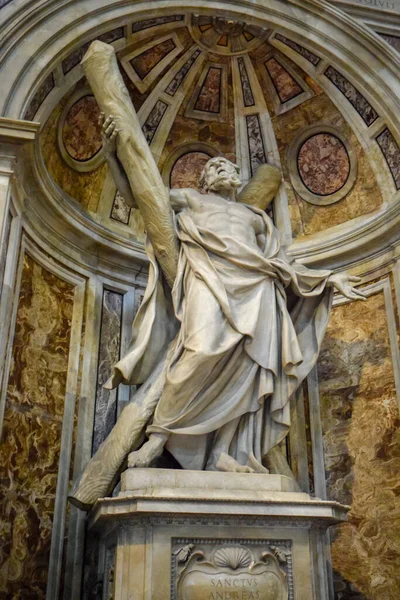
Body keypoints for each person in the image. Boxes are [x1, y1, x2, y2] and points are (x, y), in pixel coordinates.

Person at [98, 114, 366, 475]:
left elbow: (279, 263)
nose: (226, 169)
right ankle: (158, 437)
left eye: (229, 166)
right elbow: (137, 195)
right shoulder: (191, 200)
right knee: (199, 350)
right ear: (207, 180)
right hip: (210, 280)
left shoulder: (254, 217)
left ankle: (222, 453)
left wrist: (330, 279)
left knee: (249, 371)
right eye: (217, 166)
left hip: (258, 291)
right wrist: (112, 154)